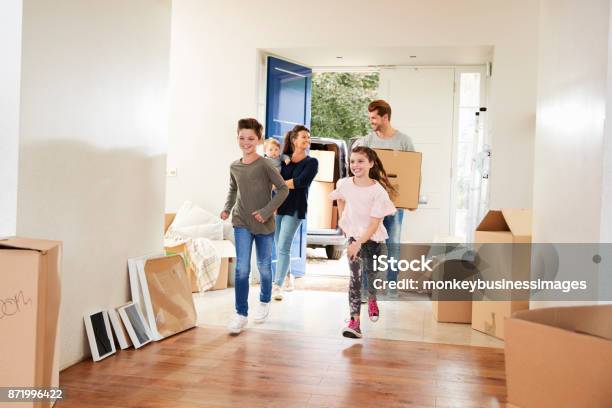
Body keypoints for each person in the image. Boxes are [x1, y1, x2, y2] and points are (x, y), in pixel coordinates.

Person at [221, 118, 289, 334]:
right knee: (242, 268)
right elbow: (233, 189)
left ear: (259, 140)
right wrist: (226, 208)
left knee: (264, 266)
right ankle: (241, 314)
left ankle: (264, 301)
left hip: (264, 224)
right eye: (242, 137)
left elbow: (282, 189)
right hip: (241, 220)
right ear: (237, 138)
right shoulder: (234, 166)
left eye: (250, 138)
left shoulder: (265, 165)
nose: (246, 142)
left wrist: (266, 211)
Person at [329, 146, 397, 338]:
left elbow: (375, 224)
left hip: (372, 238)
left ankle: (373, 298)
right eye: (352, 161)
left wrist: (358, 242)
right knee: (355, 279)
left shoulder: (378, 191)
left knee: (371, 275)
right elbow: (339, 198)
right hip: (354, 236)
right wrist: (344, 222)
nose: (355, 165)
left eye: (360, 161)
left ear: (371, 164)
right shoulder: (344, 183)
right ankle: (355, 322)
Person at [354, 99, 415, 297]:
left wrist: (410, 199)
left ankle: (391, 286)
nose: (371, 121)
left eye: (374, 117)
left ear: (385, 117)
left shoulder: (404, 141)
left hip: (395, 204)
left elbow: (412, 172)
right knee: (368, 245)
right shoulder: (367, 141)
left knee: (393, 245)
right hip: (370, 204)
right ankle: (365, 288)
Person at [272, 125, 319, 300]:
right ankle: (287, 276)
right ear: (294, 140)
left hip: (296, 207)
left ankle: (277, 286)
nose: (307, 140)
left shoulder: (312, 162)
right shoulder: (283, 160)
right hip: (279, 206)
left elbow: (301, 182)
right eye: (304, 137)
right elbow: (273, 176)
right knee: (279, 245)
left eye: (308, 137)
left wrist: (279, 184)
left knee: (283, 245)